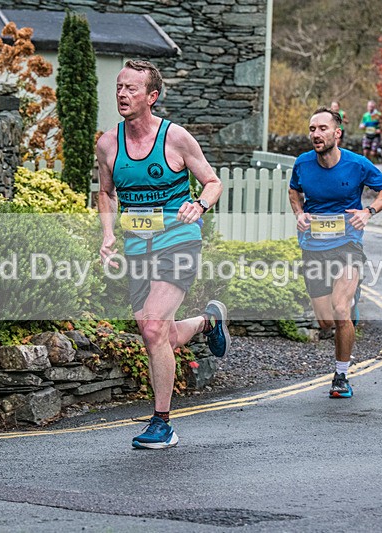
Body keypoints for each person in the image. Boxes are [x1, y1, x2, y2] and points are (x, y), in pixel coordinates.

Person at [96, 59, 231, 449]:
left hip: (179, 241)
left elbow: (212, 181)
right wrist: (107, 235)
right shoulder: (108, 143)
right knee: (160, 334)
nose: (122, 94)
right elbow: (106, 192)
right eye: (120, 87)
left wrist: (200, 206)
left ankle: (162, 423)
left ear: (151, 97)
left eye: (131, 89)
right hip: (138, 247)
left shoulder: (176, 138)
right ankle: (208, 322)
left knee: (153, 328)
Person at [289, 107, 382, 398]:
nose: (316, 134)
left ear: (337, 133)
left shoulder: (357, 164)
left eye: (322, 128)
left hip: (347, 244)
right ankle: (351, 308)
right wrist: (298, 213)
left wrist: (369, 211)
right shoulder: (303, 163)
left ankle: (341, 376)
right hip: (313, 246)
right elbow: (293, 192)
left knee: (340, 309)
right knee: (325, 321)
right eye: (312, 129)